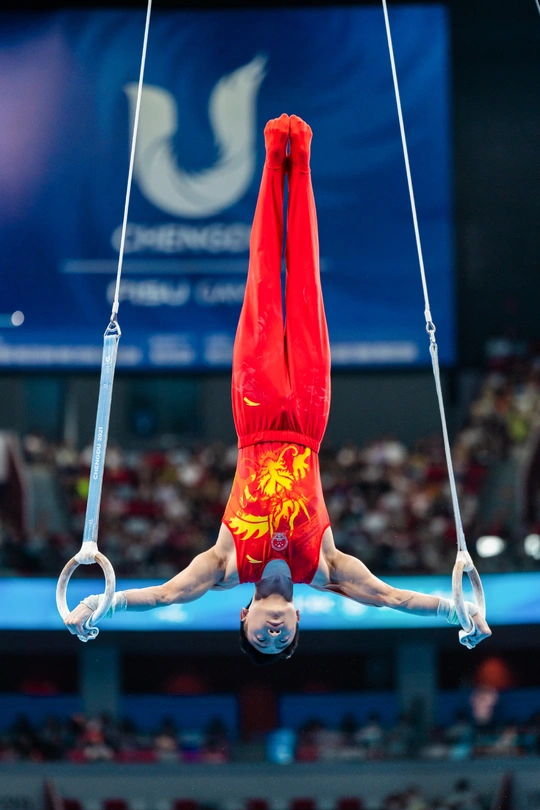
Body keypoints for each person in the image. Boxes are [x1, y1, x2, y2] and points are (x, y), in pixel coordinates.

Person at [64, 114, 491, 663]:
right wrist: (460, 611)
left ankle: (274, 155)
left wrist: (100, 607)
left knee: (265, 278)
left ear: (242, 616)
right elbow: (392, 597)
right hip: (310, 418)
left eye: (258, 636)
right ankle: (302, 158)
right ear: (297, 620)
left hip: (256, 414)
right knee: (307, 280)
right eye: (280, 638)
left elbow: (165, 594)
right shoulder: (327, 566)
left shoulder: (224, 564)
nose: (271, 632)